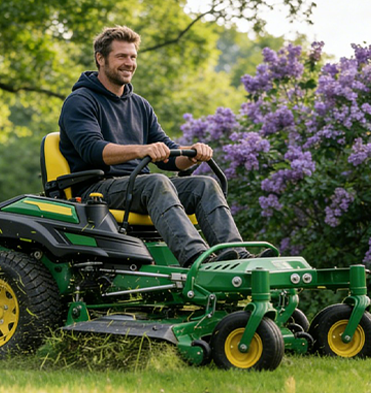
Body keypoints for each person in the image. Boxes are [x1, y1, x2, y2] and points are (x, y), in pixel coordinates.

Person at [58, 26, 252, 267]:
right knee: (156, 182)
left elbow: (169, 157)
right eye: (121, 56)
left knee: (205, 184)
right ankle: (197, 259)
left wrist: (191, 155)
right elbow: (93, 150)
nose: (129, 63)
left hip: (138, 186)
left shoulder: (140, 105)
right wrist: (142, 149)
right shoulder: (80, 101)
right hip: (95, 189)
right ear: (101, 59)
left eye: (133, 57)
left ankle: (237, 256)